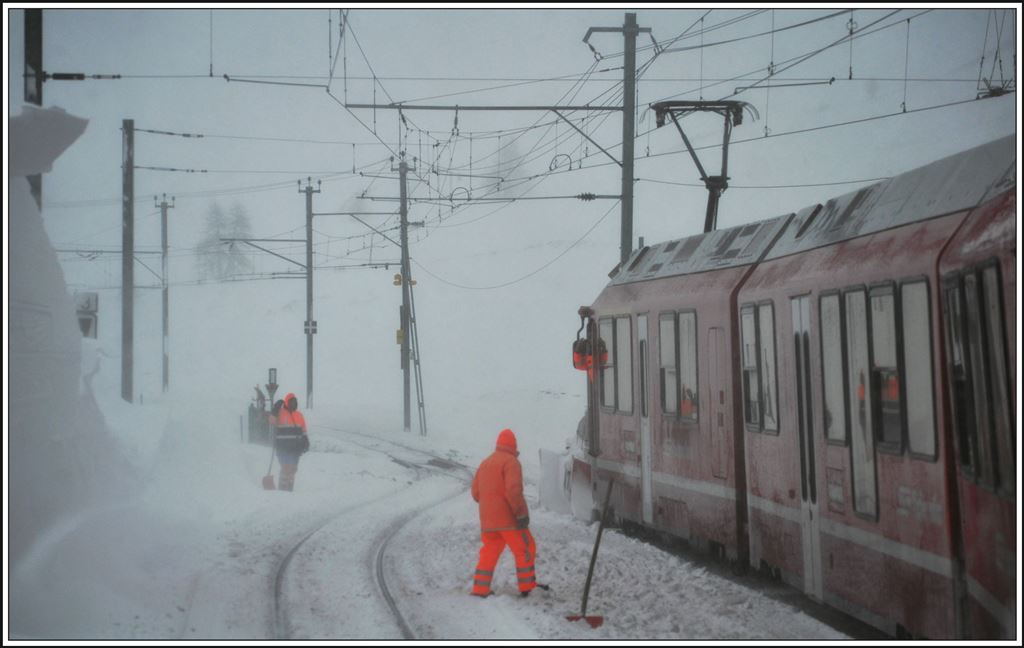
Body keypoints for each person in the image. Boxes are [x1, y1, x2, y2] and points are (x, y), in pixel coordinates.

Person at [470, 428, 537, 598]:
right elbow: (513, 491)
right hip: (509, 520)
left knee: (489, 552)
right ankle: (526, 587)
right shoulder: (511, 462)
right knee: (525, 548)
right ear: (513, 445)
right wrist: (521, 513)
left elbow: (475, 493)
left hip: (488, 522)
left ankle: (480, 589)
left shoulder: (485, 463)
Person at [270, 392, 309, 491]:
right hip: (283, 448)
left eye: (295, 402)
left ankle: (289, 489)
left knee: (293, 470)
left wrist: (306, 441)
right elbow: (271, 421)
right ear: (287, 402)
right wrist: (275, 409)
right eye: (291, 402)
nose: (293, 404)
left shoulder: (299, 415)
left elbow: (304, 431)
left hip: (295, 448)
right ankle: (282, 489)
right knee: (286, 468)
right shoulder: (280, 413)